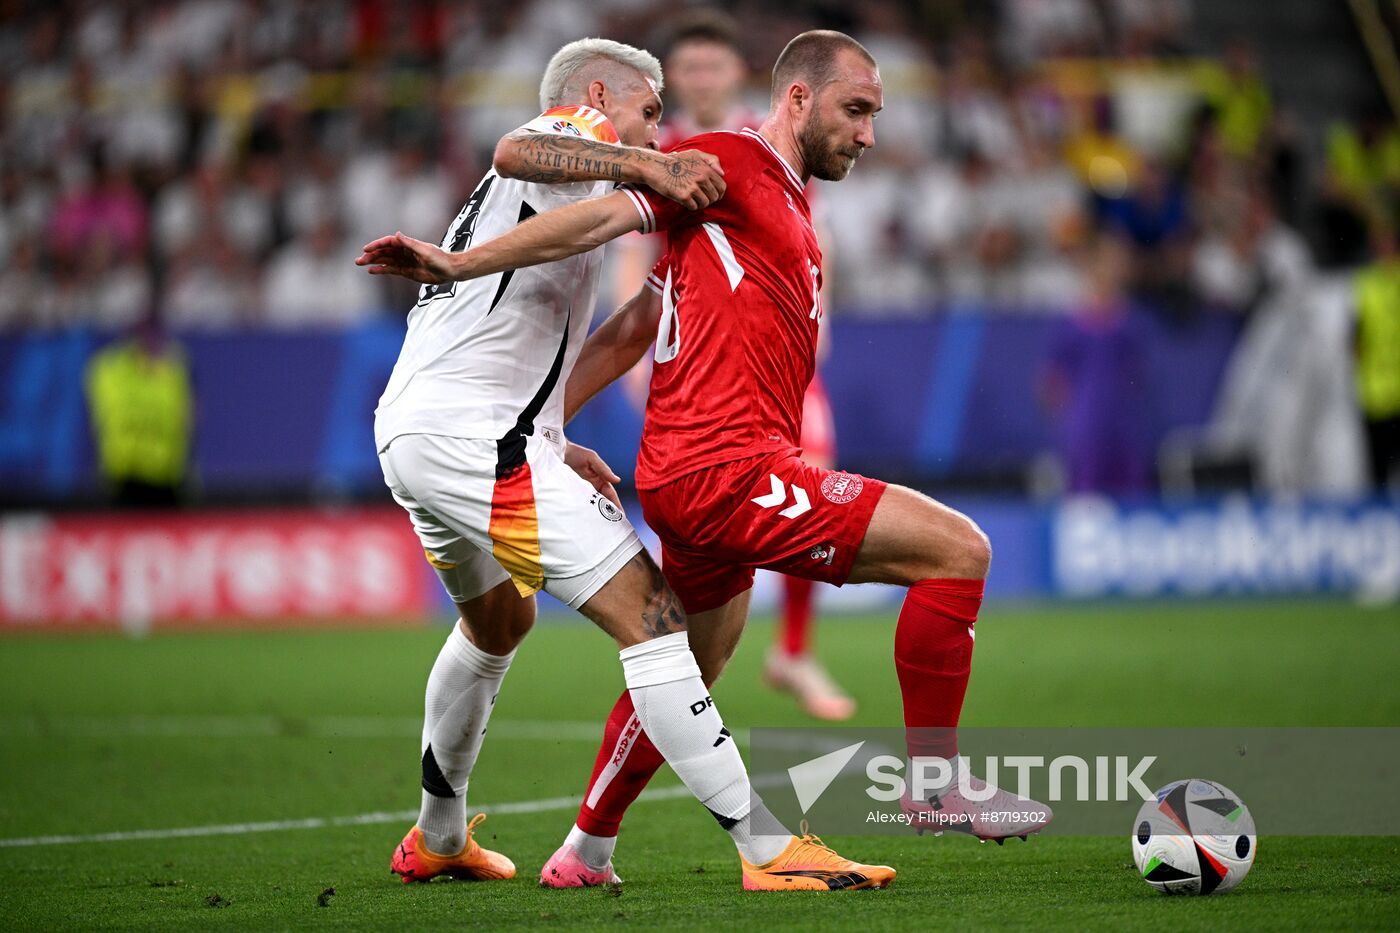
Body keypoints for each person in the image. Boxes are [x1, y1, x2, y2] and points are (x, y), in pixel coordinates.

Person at [359, 29, 1049, 889]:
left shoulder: (772, 201)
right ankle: (801, 834)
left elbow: (637, 326)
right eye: (650, 116)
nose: (661, 135)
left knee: (510, 626)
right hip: (700, 464)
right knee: (942, 555)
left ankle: (517, 843)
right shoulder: (666, 148)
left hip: (444, 429)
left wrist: (549, 431)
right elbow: (533, 152)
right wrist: (465, 257)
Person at [643, 12, 859, 719]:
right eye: (691, 67)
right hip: (696, 361)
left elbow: (810, 226)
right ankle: (681, 647)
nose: (702, 78)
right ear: (674, 78)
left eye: (714, 66)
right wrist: (637, 361)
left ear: (738, 74)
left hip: (775, 354)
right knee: (700, 516)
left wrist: (815, 319)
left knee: (813, 470)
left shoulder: (777, 141)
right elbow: (630, 260)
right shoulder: (661, 151)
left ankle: (793, 647)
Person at [84, 312, 194, 507]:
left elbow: (187, 416)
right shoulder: (112, 371)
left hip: (165, 474)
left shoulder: (174, 370)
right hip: (125, 473)